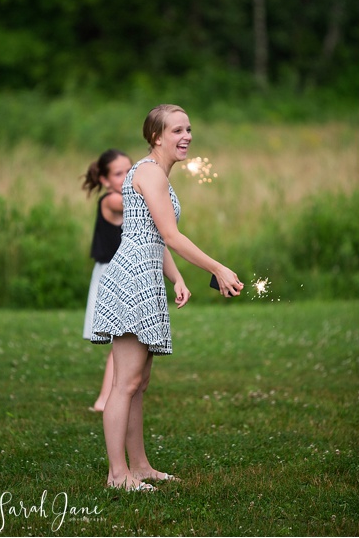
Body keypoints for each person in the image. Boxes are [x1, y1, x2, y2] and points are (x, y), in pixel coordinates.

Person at [91, 104, 243, 492]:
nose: (186, 136)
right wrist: (217, 268)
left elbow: (151, 236)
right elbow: (171, 236)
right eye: (177, 130)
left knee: (138, 383)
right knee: (124, 383)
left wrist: (175, 277)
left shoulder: (154, 174)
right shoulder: (151, 174)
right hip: (132, 280)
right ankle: (117, 475)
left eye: (189, 128)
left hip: (148, 276)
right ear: (156, 136)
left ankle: (139, 467)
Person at [81, 149, 132, 413]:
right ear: (104, 180)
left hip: (124, 275)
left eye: (129, 170)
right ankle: (104, 399)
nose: (127, 177)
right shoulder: (112, 200)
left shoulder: (125, 195)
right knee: (121, 343)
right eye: (119, 173)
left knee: (123, 343)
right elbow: (140, 204)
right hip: (111, 277)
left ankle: (106, 398)